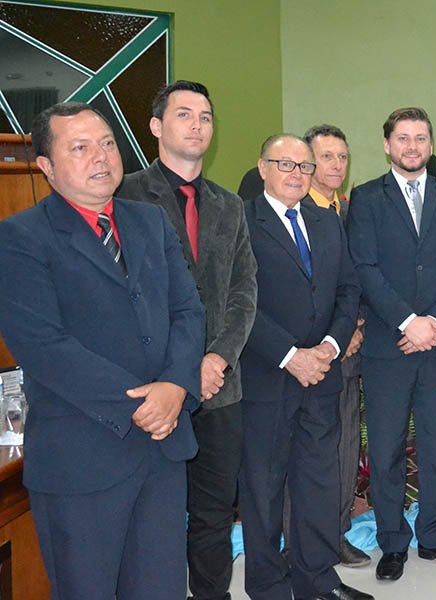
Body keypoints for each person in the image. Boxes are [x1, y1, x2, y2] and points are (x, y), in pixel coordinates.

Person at [0, 102, 205, 599]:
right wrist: (144, 402)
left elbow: (188, 310)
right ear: (46, 166)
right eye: (80, 147)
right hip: (82, 457)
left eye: (108, 143)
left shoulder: (150, 221)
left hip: (162, 450)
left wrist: (175, 387)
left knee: (161, 589)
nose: (101, 156)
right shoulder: (19, 238)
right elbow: (44, 346)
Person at [120, 81, 259, 599]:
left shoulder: (229, 205)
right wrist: (183, 368)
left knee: (213, 516)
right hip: (154, 391)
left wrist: (218, 356)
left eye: (205, 116)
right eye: (184, 114)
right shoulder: (125, 196)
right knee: (152, 518)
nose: (197, 125)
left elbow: (244, 290)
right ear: (156, 126)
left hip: (220, 388)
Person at [346, 107, 436, 580]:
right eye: (403, 138)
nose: (412, 146)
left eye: (420, 138)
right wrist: (407, 322)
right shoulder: (366, 198)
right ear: (387, 145)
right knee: (386, 449)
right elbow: (364, 268)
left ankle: (435, 537)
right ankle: (393, 542)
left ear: (431, 144)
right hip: (388, 347)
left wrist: (434, 321)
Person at [240, 134, 369, 600]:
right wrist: (291, 355)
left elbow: (348, 289)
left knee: (318, 483)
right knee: (264, 489)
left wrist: (330, 346)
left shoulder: (326, 220)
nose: (297, 174)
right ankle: (268, 586)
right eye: (286, 164)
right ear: (263, 168)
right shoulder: (242, 220)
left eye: (304, 166)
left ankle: (317, 580)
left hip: (322, 375)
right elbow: (237, 300)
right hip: (268, 377)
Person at [301, 124, 371, 568]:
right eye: (326, 157)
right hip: (309, 356)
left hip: (351, 351)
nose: (336, 165)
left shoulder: (349, 210)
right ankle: (303, 537)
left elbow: (359, 276)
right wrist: (334, 338)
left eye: (342, 157)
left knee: (345, 445)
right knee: (311, 452)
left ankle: (338, 531)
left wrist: (356, 326)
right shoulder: (296, 211)